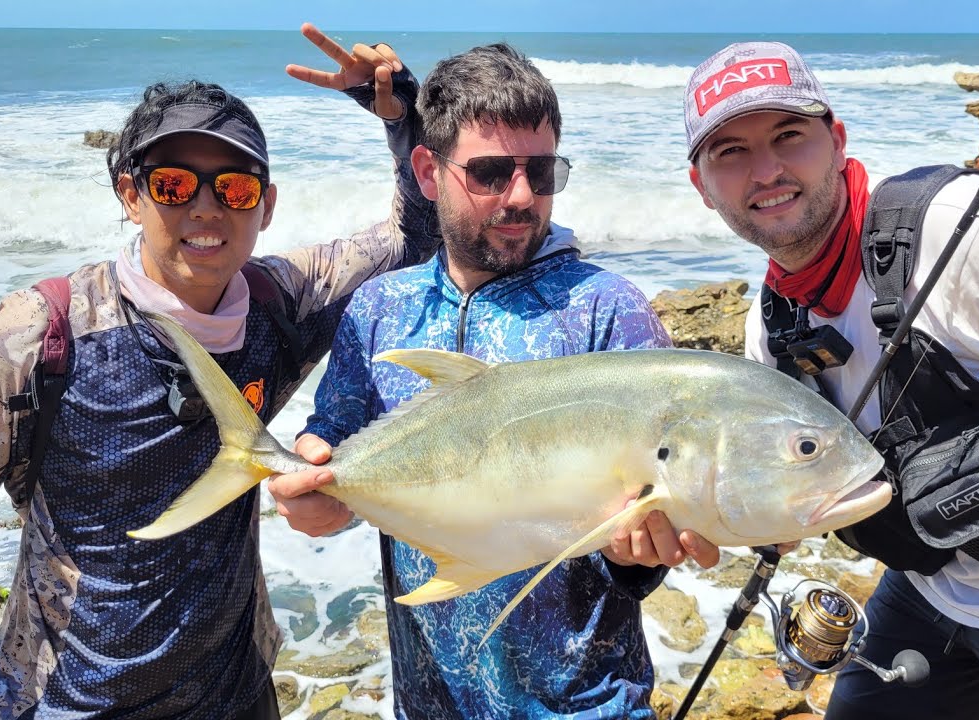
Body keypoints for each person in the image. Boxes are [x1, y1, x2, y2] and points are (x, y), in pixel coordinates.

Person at [0, 27, 440, 719]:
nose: (204, 208)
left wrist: (402, 118)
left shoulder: (279, 304)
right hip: (63, 703)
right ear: (131, 195)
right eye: (173, 184)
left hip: (234, 694)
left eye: (233, 187)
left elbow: (417, 235)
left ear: (265, 207)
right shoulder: (44, 330)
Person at [683, 41, 979, 720]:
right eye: (729, 152)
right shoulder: (773, 321)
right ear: (702, 186)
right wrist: (682, 517)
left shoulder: (970, 235)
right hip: (930, 593)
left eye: (789, 135)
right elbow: (782, 498)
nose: (766, 170)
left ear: (838, 140)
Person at [267, 43, 721, 718]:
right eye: (489, 173)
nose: (520, 197)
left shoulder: (607, 311)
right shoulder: (381, 309)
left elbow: (639, 547)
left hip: (587, 708)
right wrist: (313, 493)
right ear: (428, 171)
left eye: (541, 173)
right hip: (428, 705)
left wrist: (640, 558)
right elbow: (335, 452)